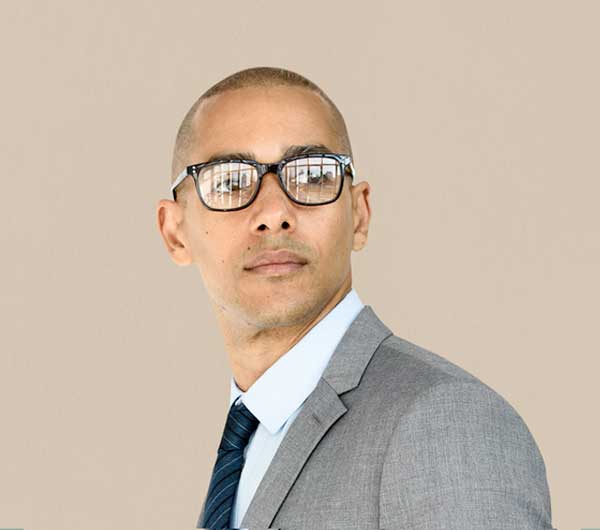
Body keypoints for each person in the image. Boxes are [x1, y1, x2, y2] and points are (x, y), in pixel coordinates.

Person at [156, 66, 555, 530]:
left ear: (359, 215)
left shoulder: (448, 425)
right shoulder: (246, 444)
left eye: (312, 176)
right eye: (229, 182)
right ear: (175, 232)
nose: (274, 212)